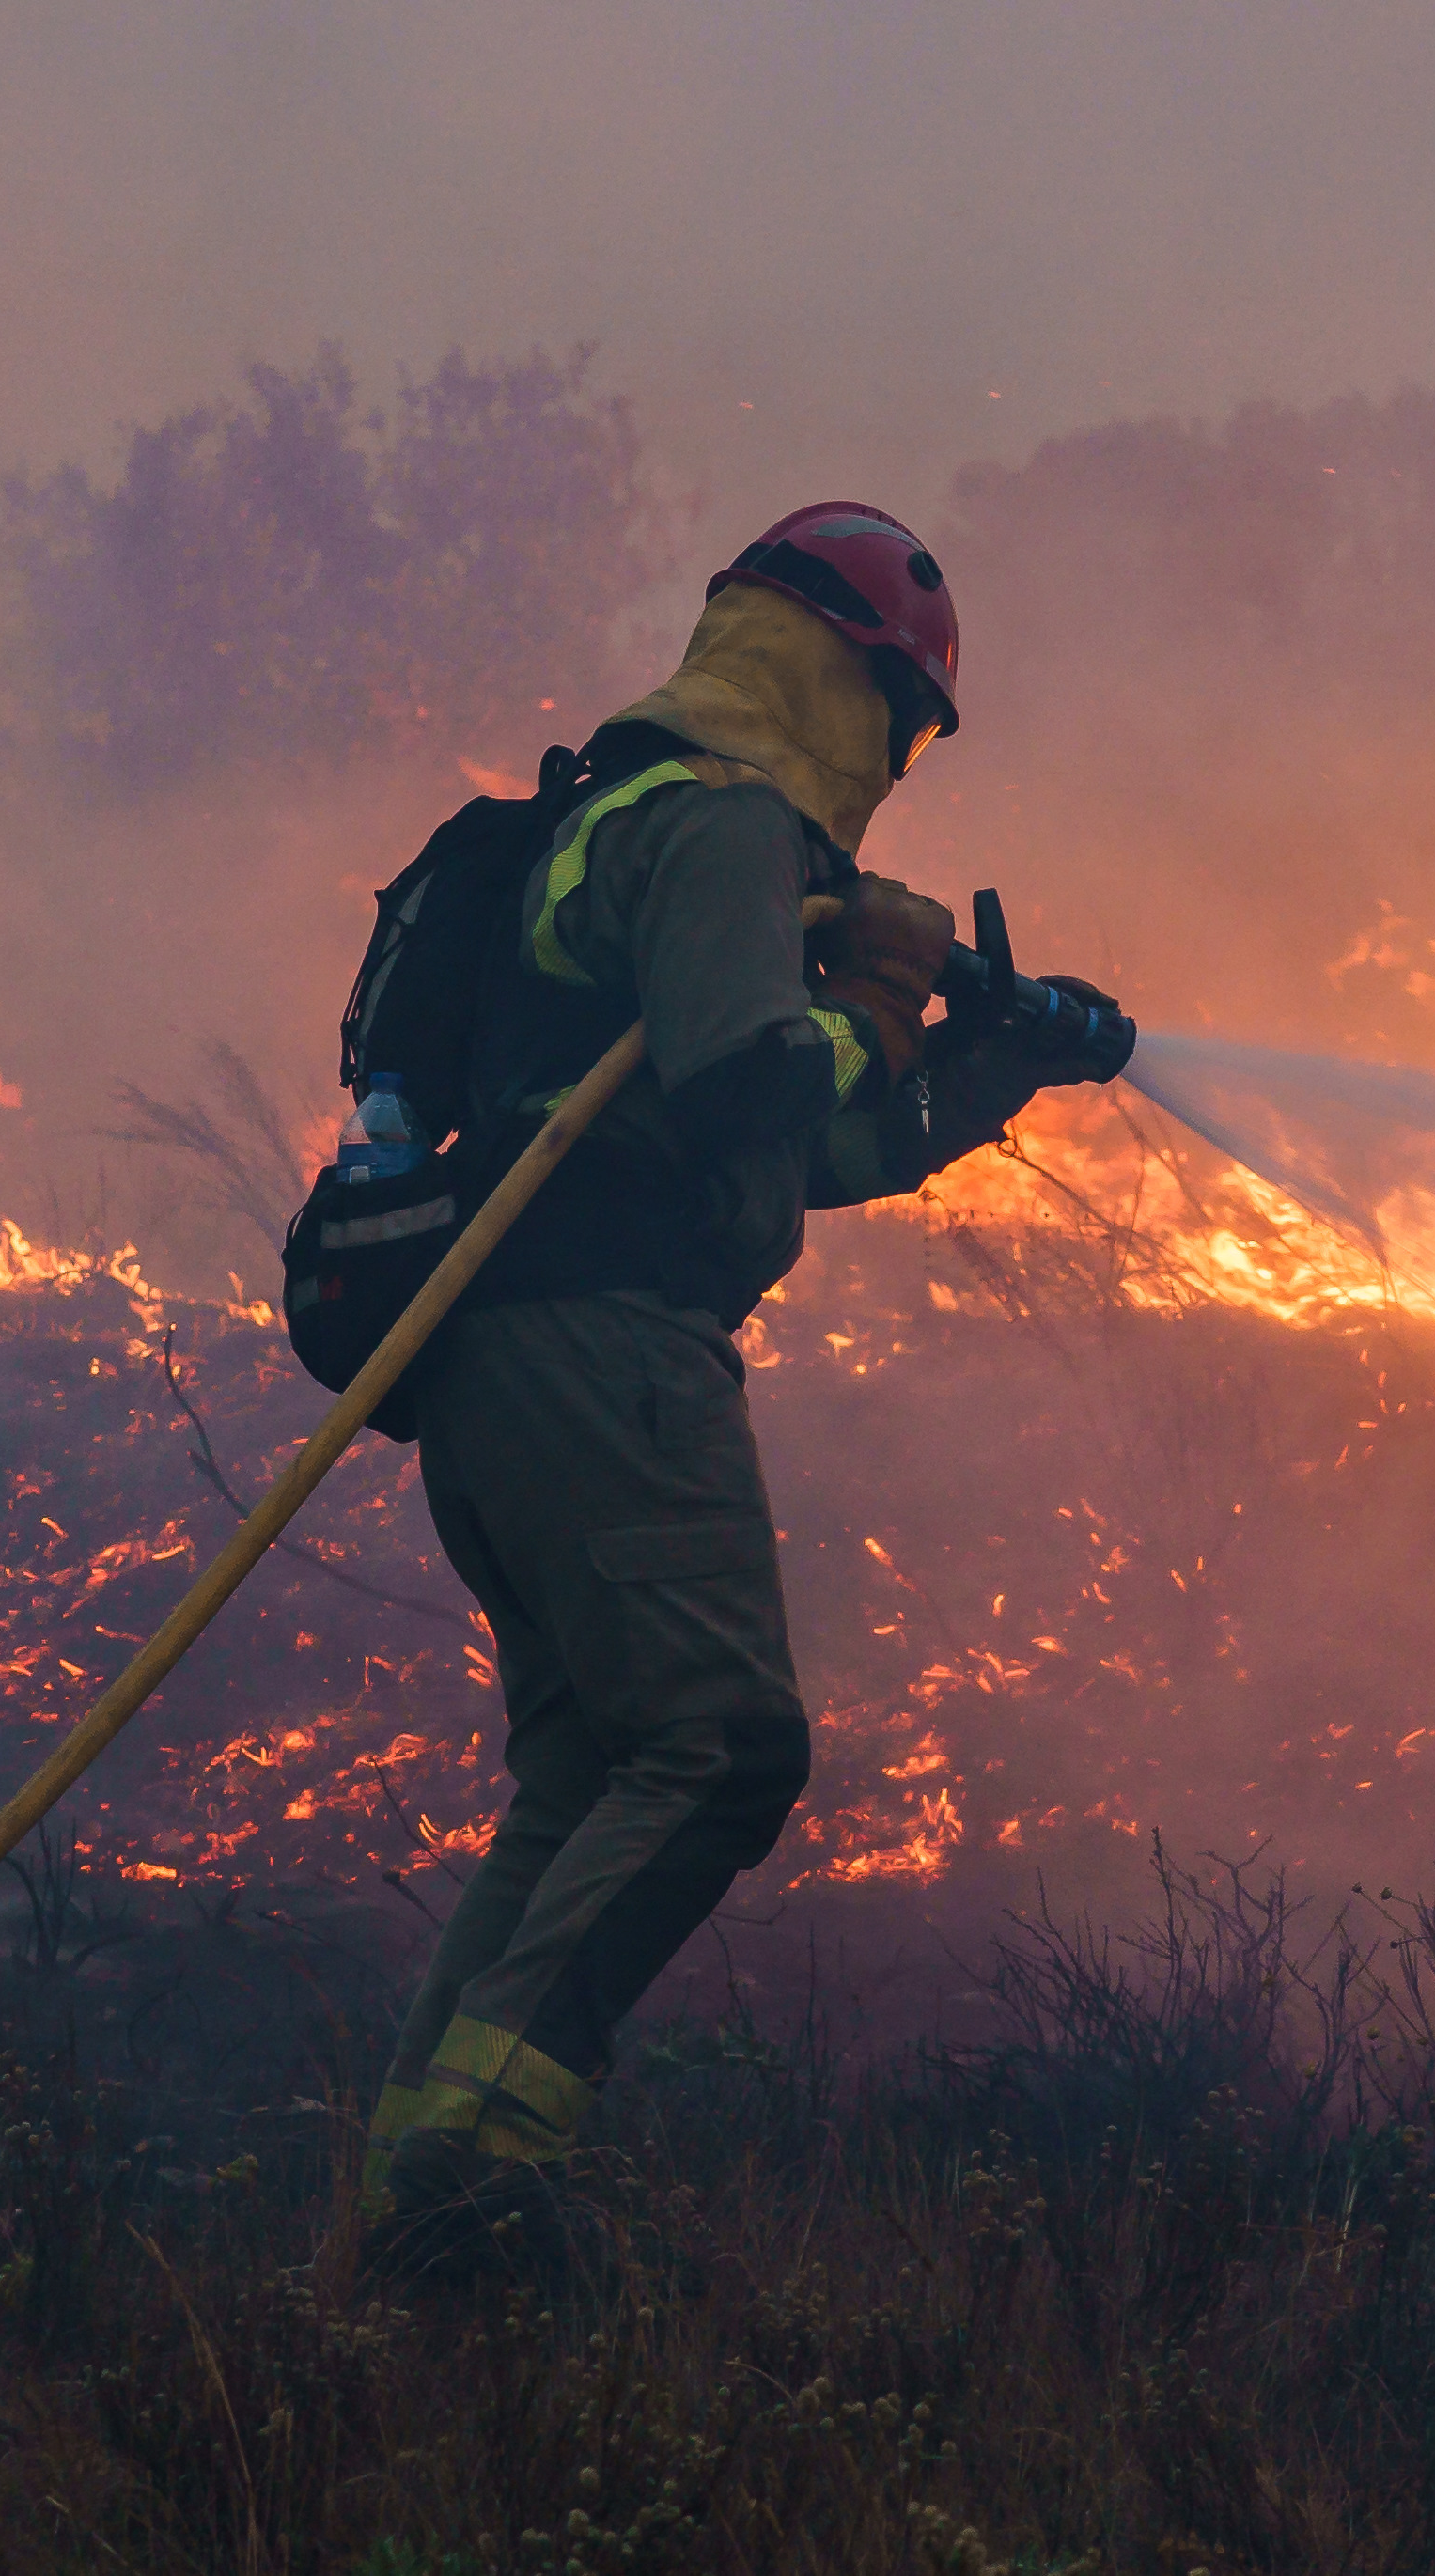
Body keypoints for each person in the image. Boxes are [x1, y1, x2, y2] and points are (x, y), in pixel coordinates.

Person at [361, 502, 1122, 2263]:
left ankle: (412, 2195)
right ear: (841, 680)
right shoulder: (718, 826)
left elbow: (804, 1140)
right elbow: (748, 1091)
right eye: (901, 727)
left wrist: (983, 1064)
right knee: (720, 1744)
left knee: (582, 1780)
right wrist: (868, 981)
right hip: (607, 1351)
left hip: (502, 1360)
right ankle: (481, 2183)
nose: (898, 771)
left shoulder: (615, 814)